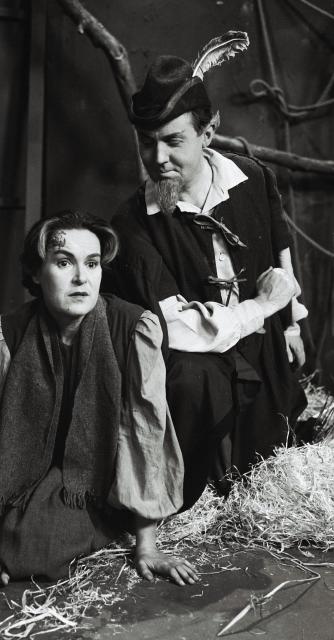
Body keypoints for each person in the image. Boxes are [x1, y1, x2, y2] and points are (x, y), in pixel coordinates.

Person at [0, 210, 198, 589]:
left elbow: (144, 438)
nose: (81, 278)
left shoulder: (133, 329)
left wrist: (147, 548)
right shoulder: (4, 334)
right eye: (64, 263)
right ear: (36, 273)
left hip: (86, 473)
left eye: (92, 264)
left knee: (34, 548)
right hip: (13, 461)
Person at [107, 52, 308, 509]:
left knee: (269, 462)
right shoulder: (132, 223)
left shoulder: (253, 178)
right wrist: (263, 306)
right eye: (147, 143)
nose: (158, 159)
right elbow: (177, 327)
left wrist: (292, 324)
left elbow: (279, 251)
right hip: (196, 366)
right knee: (207, 467)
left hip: (260, 347)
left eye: (173, 141)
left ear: (208, 132)